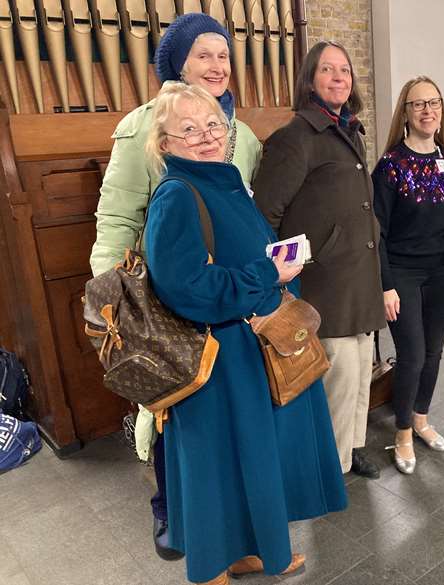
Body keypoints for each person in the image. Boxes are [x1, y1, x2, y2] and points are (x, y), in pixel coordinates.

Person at [143, 81, 346, 585]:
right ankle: (212, 568)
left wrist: (281, 266)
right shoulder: (176, 196)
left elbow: (248, 254)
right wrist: (265, 275)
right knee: (216, 466)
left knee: (251, 462)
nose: (206, 136)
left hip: (249, 345)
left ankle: (250, 551)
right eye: (188, 130)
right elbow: (187, 288)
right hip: (217, 357)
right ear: (165, 143)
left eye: (213, 124)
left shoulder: (225, 180)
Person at [88, 13, 262, 560]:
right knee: (169, 404)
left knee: (221, 408)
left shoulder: (244, 135)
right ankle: (170, 507)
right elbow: (118, 216)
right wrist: (111, 297)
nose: (216, 66)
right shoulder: (144, 125)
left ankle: (231, 516)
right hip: (166, 289)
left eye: (224, 55)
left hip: (227, 292)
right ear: (178, 63)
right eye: (203, 54)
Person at [253, 41, 385, 479]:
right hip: (325, 285)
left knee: (361, 374)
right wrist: (281, 285)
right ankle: (329, 468)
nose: (338, 77)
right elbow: (266, 216)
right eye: (327, 70)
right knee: (337, 383)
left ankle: (353, 447)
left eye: (344, 70)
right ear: (309, 79)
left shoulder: (349, 130)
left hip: (359, 278)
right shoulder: (295, 137)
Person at [372, 76, 444, 474]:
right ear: (405, 113)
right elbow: (378, 233)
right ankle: (402, 431)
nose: (428, 111)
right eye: (418, 104)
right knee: (413, 355)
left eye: (434, 102)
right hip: (403, 272)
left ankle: (421, 418)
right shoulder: (390, 165)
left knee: (436, 352)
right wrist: (386, 284)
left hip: (443, 271)